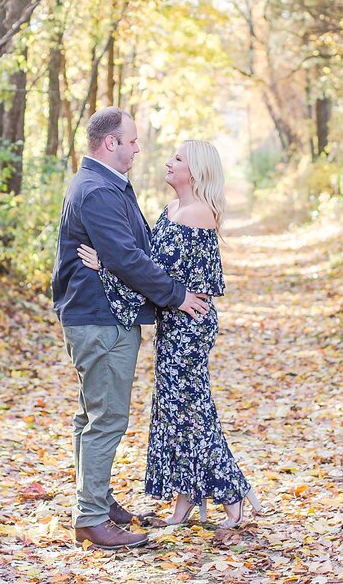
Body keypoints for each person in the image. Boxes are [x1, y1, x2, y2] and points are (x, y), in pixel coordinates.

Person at [78, 140, 262, 529]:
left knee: (191, 412)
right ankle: (185, 500)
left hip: (190, 327)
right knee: (173, 412)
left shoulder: (197, 213)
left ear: (193, 170)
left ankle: (235, 495)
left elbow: (154, 272)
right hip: (173, 322)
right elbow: (151, 267)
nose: (167, 162)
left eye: (177, 159)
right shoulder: (173, 209)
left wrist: (106, 266)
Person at [52, 107, 211, 550]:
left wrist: (117, 263)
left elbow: (129, 250)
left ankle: (97, 500)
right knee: (106, 419)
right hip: (101, 319)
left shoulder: (105, 186)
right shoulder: (97, 191)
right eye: (133, 140)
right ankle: (91, 519)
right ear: (110, 144)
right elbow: (127, 257)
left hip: (102, 315)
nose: (139, 148)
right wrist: (177, 296)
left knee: (92, 416)